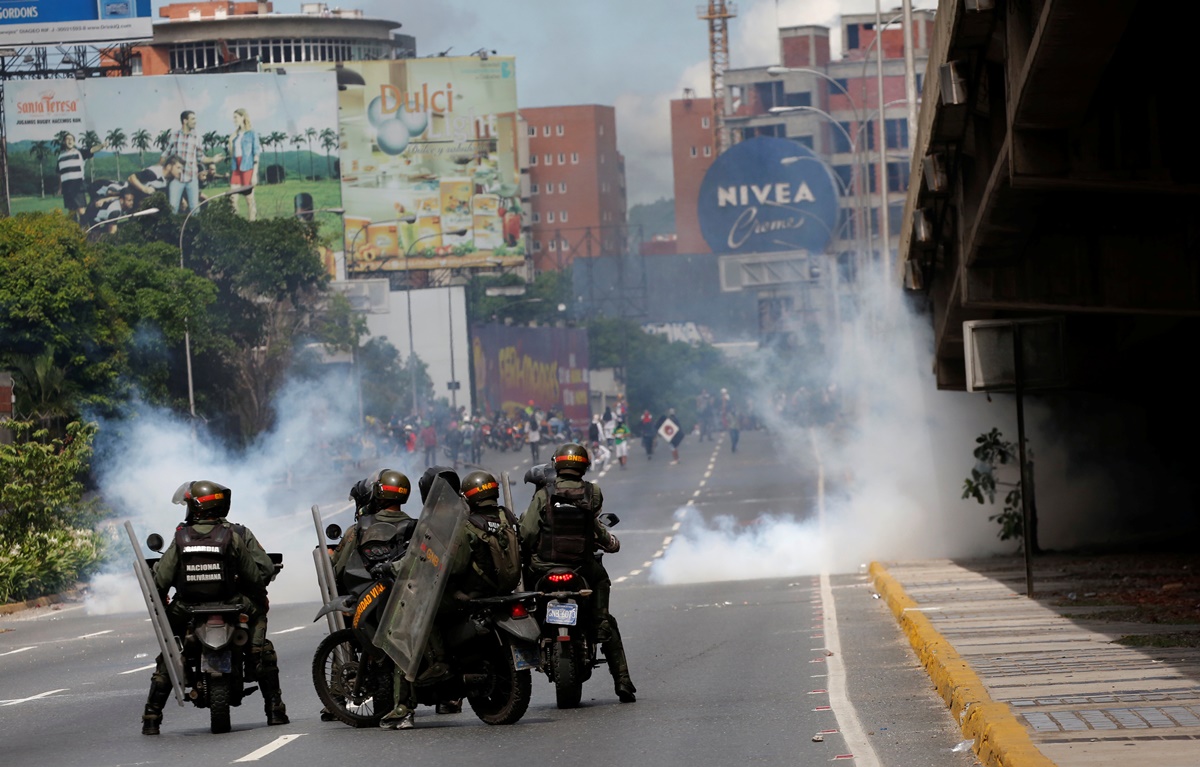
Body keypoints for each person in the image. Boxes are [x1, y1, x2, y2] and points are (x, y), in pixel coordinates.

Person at [141, 480, 288, 735]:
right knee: (263, 648)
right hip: (233, 604)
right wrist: (256, 596)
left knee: (171, 651)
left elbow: (160, 581)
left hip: (187, 608)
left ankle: (152, 717)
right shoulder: (235, 534)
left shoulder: (181, 537)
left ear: (195, 507)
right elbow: (257, 575)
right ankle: (275, 709)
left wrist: (161, 603)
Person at [519, 443, 637, 703]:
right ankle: (623, 680)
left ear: (557, 464)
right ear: (584, 465)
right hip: (581, 567)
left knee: (523, 591)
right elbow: (594, 527)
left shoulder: (543, 494)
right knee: (603, 590)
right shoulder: (593, 492)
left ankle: (529, 622)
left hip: (543, 568)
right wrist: (611, 543)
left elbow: (526, 534)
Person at [164, 110, 218, 214]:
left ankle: (195, 229)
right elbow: (166, 155)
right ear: (185, 121)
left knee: (195, 209)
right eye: (193, 119)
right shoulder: (174, 136)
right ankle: (173, 230)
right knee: (173, 208)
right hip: (176, 180)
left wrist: (213, 159)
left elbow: (201, 157)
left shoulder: (197, 137)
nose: (195, 121)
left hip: (192, 179)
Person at [57, 133, 104, 222]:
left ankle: (86, 230)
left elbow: (92, 149)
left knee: (81, 210)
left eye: (71, 139)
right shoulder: (60, 157)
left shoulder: (80, 153)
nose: (69, 141)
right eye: (67, 139)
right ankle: (74, 231)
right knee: (71, 211)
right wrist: (60, 187)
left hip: (77, 186)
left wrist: (101, 146)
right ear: (64, 142)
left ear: (74, 142)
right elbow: (59, 173)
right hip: (67, 188)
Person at [227, 108, 261, 220]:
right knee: (233, 197)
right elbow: (232, 154)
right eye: (233, 117)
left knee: (249, 199)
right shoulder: (235, 136)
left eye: (236, 117)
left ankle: (252, 223)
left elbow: (256, 153)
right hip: (236, 167)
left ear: (243, 117)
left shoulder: (252, 133)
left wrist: (254, 174)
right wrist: (230, 142)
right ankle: (236, 223)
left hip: (247, 167)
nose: (234, 120)